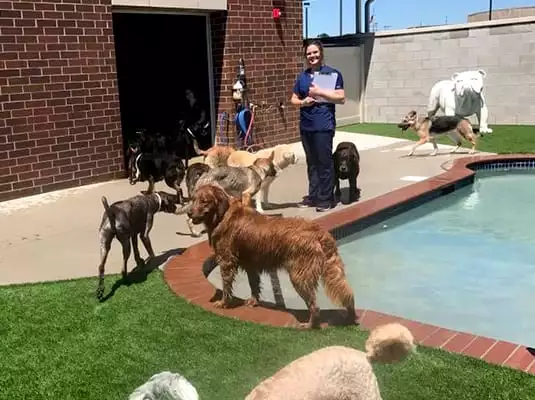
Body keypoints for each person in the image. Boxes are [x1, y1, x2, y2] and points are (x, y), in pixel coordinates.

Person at [291, 40, 346, 212]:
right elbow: (293, 99)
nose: (312, 56)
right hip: (306, 126)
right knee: (312, 162)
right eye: (308, 53)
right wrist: (303, 102)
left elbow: (341, 98)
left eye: (315, 52)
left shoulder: (332, 74)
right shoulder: (303, 77)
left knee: (324, 162)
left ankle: (326, 198)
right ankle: (313, 195)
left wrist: (319, 92)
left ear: (321, 53)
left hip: (323, 125)